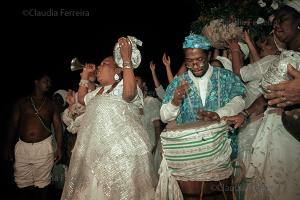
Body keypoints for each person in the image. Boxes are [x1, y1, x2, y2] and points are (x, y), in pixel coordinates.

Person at [61, 36, 157, 200]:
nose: (98, 68)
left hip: (120, 156)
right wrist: (84, 75)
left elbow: (129, 94)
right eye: (99, 66)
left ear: (117, 71)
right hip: (95, 154)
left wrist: (126, 59)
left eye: (104, 64)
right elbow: (83, 99)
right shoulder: (97, 92)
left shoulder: (123, 86)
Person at [224, 1, 300, 199]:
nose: (276, 25)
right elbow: (267, 95)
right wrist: (244, 114)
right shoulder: (282, 56)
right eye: (274, 22)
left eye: (283, 19)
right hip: (273, 131)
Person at [157, 33, 245, 199]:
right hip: (190, 159)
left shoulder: (225, 76)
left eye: (199, 59)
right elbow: (164, 116)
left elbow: (239, 101)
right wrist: (175, 101)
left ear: (209, 55)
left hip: (222, 153)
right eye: (189, 61)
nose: (195, 65)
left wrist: (218, 114)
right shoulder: (178, 82)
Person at [4, 70, 63, 200]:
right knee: (22, 184)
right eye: (45, 81)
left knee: (43, 185)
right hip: (23, 148)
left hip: (44, 147)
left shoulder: (51, 104)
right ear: (36, 82)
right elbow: (13, 125)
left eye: (49, 82)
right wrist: (8, 147)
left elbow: (58, 127)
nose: (49, 84)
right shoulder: (22, 102)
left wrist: (59, 148)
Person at [135, 76, 162, 175]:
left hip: (151, 145)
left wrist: (155, 146)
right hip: (138, 148)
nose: (133, 82)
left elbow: (157, 126)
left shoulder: (151, 101)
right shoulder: (133, 104)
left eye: (136, 80)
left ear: (143, 84)